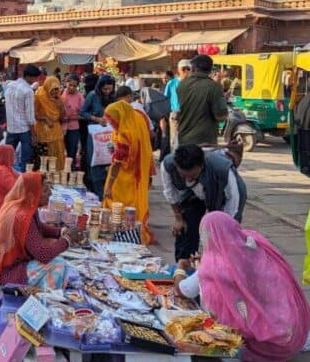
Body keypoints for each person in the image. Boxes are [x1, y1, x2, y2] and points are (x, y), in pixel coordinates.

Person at [172, 212, 310, 362]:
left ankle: (235, 337)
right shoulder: (253, 245)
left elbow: (183, 290)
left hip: (254, 343)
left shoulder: (212, 266)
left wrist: (180, 267)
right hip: (288, 333)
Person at [0, 172, 82, 302]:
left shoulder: (25, 207)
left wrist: (62, 231)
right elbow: (43, 254)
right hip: (9, 272)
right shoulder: (22, 217)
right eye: (45, 191)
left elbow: (40, 227)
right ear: (32, 194)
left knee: (59, 260)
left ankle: (44, 293)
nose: (49, 194)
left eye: (49, 189)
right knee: (57, 264)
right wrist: (67, 240)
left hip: (11, 264)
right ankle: (47, 301)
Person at [161, 144, 246, 260]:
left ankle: (220, 267)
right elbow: (170, 192)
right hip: (191, 195)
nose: (188, 180)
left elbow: (232, 207)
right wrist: (178, 218)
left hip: (221, 193)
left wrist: (219, 232)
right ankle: (183, 266)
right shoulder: (168, 165)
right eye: (183, 176)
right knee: (186, 230)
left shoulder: (222, 171)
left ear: (201, 166)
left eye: (192, 176)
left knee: (224, 238)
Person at [103, 92, 154, 244]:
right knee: (132, 204)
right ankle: (131, 233)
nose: (111, 124)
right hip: (135, 174)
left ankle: (121, 236)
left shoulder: (125, 135)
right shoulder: (136, 118)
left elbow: (117, 164)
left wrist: (109, 186)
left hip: (123, 179)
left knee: (118, 207)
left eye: (112, 120)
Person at [177, 54, 228, 146]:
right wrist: (223, 101)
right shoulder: (214, 86)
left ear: (193, 68)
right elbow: (221, 116)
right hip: (205, 140)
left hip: (184, 138)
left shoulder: (182, 85)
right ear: (210, 69)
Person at [81, 74, 116, 195]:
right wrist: (96, 118)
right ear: (99, 87)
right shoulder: (92, 96)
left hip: (110, 135)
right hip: (95, 135)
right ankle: (96, 191)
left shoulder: (113, 97)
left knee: (110, 159)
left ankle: (107, 189)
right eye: (105, 89)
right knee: (95, 159)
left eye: (109, 89)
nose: (107, 91)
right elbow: (83, 112)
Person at [5, 65, 40, 172]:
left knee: (6, 159)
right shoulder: (28, 91)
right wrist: (34, 136)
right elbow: (30, 116)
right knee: (25, 160)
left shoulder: (10, 85)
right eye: (35, 78)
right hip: (23, 129)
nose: (36, 80)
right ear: (30, 77)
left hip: (11, 128)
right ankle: (22, 182)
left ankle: (4, 179)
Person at [34, 76, 66, 171]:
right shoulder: (39, 96)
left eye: (57, 90)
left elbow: (62, 118)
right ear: (47, 87)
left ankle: (57, 176)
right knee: (44, 159)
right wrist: (45, 118)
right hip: (43, 131)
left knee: (58, 155)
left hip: (56, 131)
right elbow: (34, 115)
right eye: (53, 90)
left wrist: (60, 106)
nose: (55, 93)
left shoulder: (59, 98)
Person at [62, 74, 83, 170]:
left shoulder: (80, 97)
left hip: (73, 129)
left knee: (71, 154)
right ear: (65, 83)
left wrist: (70, 117)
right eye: (70, 85)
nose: (72, 87)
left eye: (74, 86)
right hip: (60, 128)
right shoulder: (61, 93)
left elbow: (83, 115)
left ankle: (71, 175)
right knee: (60, 152)